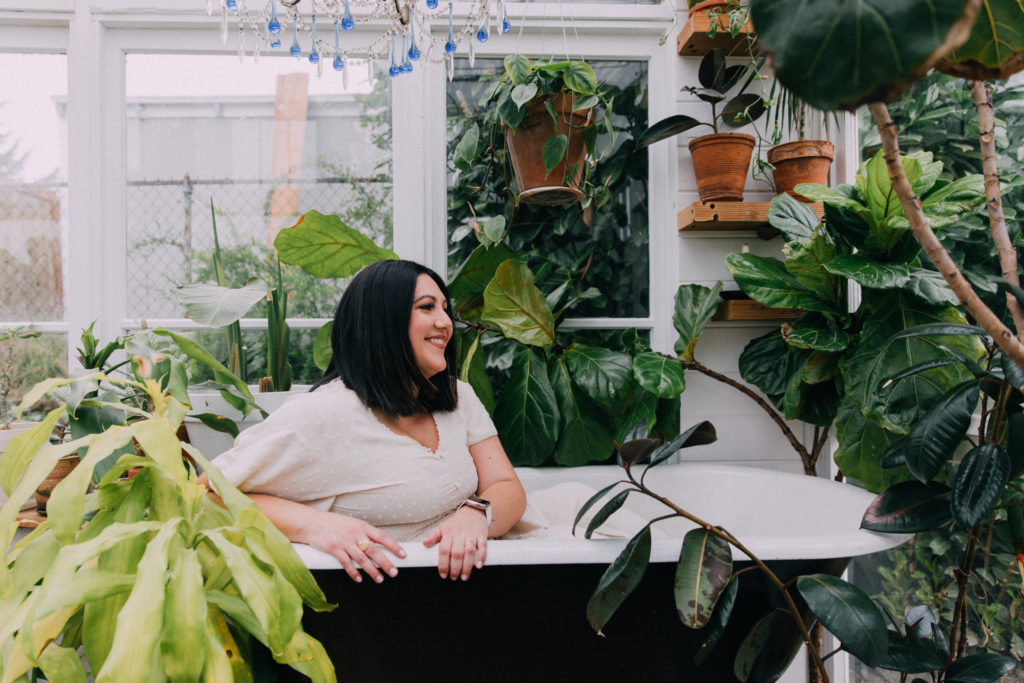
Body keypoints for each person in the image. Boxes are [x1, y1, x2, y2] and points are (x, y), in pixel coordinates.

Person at [205, 259, 526, 583]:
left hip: (490, 579)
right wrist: (314, 525)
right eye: (427, 307)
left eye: (444, 308)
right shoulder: (322, 415)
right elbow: (207, 495)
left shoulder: (460, 397)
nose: (445, 321)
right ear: (382, 321)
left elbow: (508, 487)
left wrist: (477, 513)